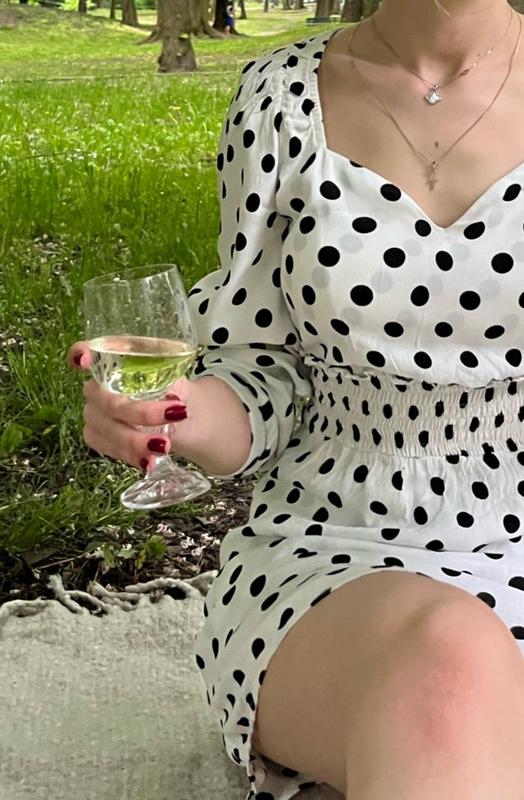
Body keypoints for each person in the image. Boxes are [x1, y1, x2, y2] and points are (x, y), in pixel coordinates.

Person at [68, 0, 524, 797]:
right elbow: (261, 373)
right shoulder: (281, 99)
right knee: (448, 672)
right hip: (330, 550)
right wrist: (176, 413)